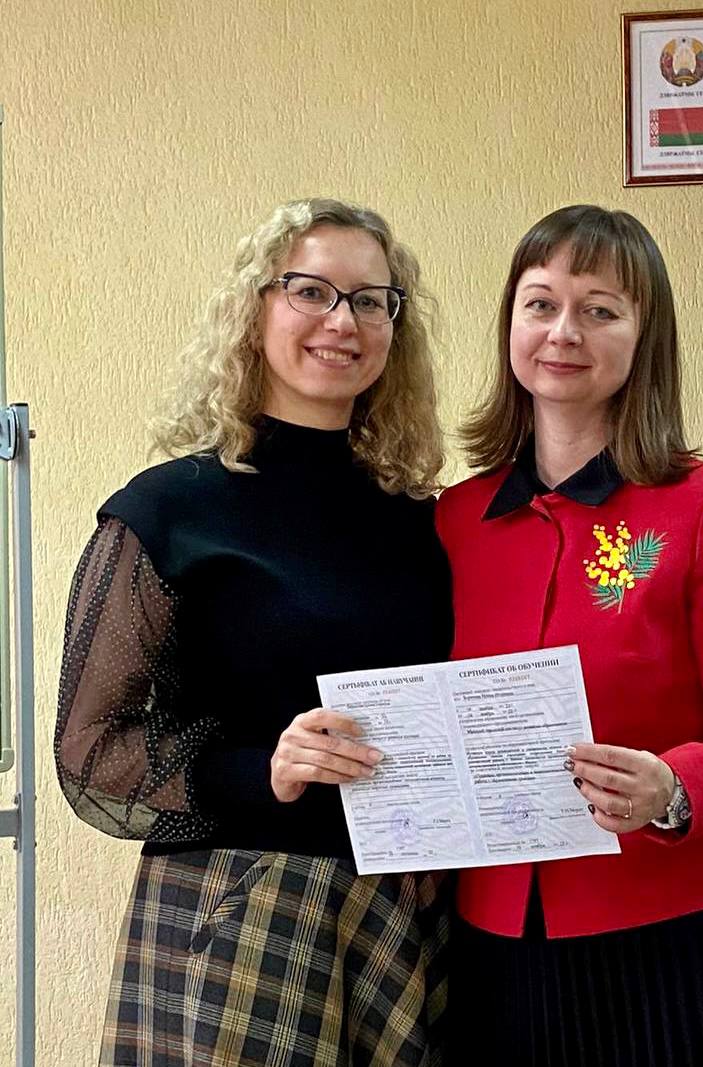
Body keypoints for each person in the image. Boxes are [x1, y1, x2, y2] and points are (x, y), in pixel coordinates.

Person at [55, 198, 453, 1067]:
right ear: (255, 307)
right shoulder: (168, 510)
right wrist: (259, 769)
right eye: (311, 291)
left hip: (404, 916)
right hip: (236, 911)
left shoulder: (424, 523)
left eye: (371, 300)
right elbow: (89, 753)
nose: (342, 321)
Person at [435, 204, 703, 1067]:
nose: (564, 331)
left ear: (645, 338)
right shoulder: (455, 520)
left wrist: (674, 787)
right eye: (540, 304)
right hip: (494, 943)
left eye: (600, 309)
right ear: (510, 325)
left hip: (675, 941)